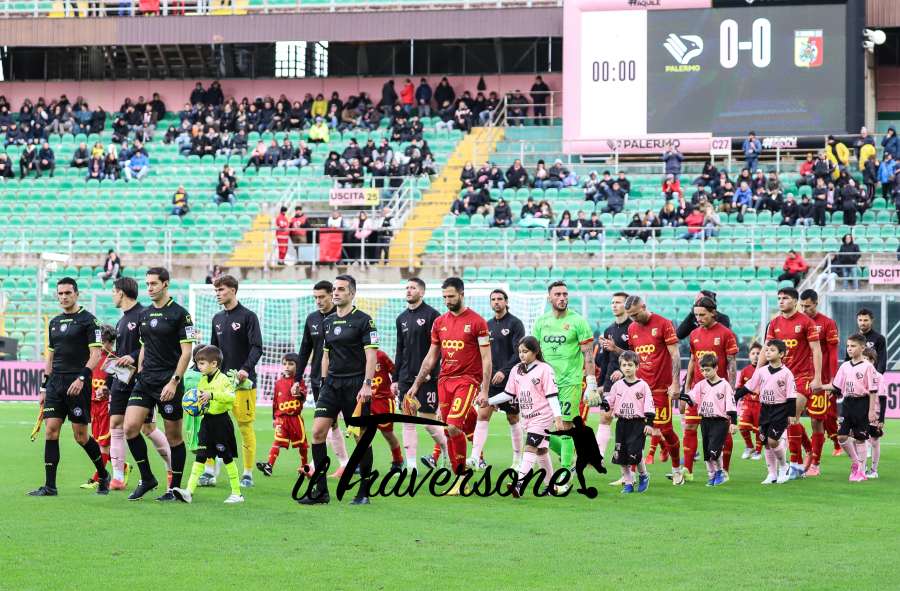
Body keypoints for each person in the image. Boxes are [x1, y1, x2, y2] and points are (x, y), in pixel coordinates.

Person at [299, 275, 379, 506]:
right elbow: (325, 354)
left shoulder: (365, 321)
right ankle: (321, 492)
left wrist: (367, 384)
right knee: (317, 432)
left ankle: (364, 491)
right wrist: (324, 381)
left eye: (341, 289)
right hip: (332, 385)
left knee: (361, 437)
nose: (336, 293)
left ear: (352, 293)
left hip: (356, 386)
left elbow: (371, 354)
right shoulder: (328, 321)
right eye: (334, 289)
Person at [405, 277, 491, 488]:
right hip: (444, 381)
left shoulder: (477, 322)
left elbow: (487, 359)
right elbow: (431, 357)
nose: (447, 300)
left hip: (468, 380)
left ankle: (462, 478)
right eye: (444, 297)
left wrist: (485, 390)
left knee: (452, 427)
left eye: (451, 296)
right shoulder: (439, 323)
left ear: (462, 294)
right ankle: (460, 476)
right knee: (447, 430)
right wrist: (416, 385)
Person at [27, 278, 108, 497]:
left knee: (81, 436)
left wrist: (82, 378)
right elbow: (50, 357)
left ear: (77, 294)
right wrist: (44, 387)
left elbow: (96, 354)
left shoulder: (89, 321)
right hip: (55, 384)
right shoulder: (54, 322)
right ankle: (50, 486)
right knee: (51, 430)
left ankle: (103, 474)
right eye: (60, 293)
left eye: (68, 293)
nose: (63, 297)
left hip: (77, 383)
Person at [123, 267, 195, 501]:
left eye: (154, 284)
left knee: (174, 436)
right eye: (147, 284)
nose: (150, 288)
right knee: (130, 428)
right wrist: (140, 371)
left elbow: (187, 352)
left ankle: (174, 488)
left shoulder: (181, 314)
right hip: (145, 381)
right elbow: (144, 346)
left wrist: (174, 382)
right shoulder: (144, 314)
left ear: (166, 284)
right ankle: (147, 478)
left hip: (168, 382)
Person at [196, 275, 263, 489]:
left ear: (233, 290)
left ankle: (247, 473)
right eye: (216, 290)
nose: (218, 293)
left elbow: (257, 347)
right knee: (211, 426)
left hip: (244, 384)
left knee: (244, 427)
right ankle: (209, 471)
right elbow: (212, 353)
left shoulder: (248, 316)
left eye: (221, 290)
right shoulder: (217, 319)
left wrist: (245, 369)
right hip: (219, 385)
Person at [107, 277, 171, 491]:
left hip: (142, 383)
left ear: (121, 292)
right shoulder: (121, 320)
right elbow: (119, 354)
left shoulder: (145, 315)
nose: (112, 296)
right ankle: (117, 476)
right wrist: (108, 381)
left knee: (147, 427)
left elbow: (151, 347)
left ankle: (172, 469)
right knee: (115, 424)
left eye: (114, 291)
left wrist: (134, 357)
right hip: (121, 380)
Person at [531, 281, 596, 485]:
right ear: (549, 298)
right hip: (544, 384)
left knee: (566, 426)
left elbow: (589, 356)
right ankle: (573, 456)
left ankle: (565, 473)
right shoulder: (541, 322)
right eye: (557, 294)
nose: (562, 297)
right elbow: (534, 354)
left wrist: (591, 383)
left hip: (570, 383)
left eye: (565, 294)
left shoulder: (578, 321)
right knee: (538, 430)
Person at [489, 336, 563, 497]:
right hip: (527, 416)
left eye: (525, 351)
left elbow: (552, 395)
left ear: (535, 352)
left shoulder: (545, 369)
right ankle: (551, 486)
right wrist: (488, 401)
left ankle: (519, 484)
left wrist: (557, 417)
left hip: (543, 416)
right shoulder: (516, 369)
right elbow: (509, 393)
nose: (522, 355)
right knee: (541, 451)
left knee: (529, 447)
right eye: (520, 352)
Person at [763, 287, 822, 480]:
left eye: (785, 298)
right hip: (779, 378)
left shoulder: (806, 322)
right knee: (783, 422)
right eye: (779, 298)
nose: (781, 301)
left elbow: (816, 350)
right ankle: (807, 450)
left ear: (795, 301)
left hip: (802, 377)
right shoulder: (774, 323)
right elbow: (767, 349)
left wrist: (817, 377)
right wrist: (758, 375)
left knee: (792, 416)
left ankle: (795, 464)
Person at [293, 281, 350, 476]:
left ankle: (327, 464)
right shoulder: (312, 319)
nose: (318, 301)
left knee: (350, 426)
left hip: (346, 379)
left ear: (331, 295)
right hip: (319, 380)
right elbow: (304, 351)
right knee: (329, 422)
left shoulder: (344, 317)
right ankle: (343, 464)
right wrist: (297, 379)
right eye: (315, 297)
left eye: (322, 297)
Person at [624, 295, 683, 483]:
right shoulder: (632, 328)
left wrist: (675, 383)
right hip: (640, 388)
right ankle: (632, 474)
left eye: (635, 314)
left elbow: (675, 355)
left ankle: (676, 470)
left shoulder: (664, 324)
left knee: (666, 430)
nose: (633, 319)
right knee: (635, 431)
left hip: (660, 389)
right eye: (630, 316)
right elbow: (634, 359)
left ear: (644, 306)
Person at [175, 345, 243, 504]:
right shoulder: (203, 380)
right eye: (198, 363)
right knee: (201, 455)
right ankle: (189, 492)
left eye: (202, 363)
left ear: (214, 364)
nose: (199, 366)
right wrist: (193, 406)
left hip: (221, 423)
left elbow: (231, 397)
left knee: (226, 457)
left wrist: (212, 395)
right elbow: (201, 401)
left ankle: (237, 493)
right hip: (206, 422)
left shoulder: (224, 379)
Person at [467, 289, 525, 470]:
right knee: (483, 415)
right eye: (493, 299)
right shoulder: (486, 324)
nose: (496, 302)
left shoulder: (515, 324)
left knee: (513, 417)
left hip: (511, 379)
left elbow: (519, 353)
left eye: (500, 299)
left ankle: (517, 460)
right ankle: (475, 458)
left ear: (506, 302)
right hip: (490, 381)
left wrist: (504, 371)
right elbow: (480, 354)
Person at [682, 297, 738, 482]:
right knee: (690, 426)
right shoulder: (694, 334)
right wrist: (687, 385)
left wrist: (731, 388)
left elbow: (731, 362)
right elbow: (692, 360)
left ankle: (725, 471)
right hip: (699, 390)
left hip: (718, 391)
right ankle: (687, 471)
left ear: (713, 312)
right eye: (696, 314)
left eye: (702, 314)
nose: (698, 318)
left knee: (724, 430)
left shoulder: (726, 334)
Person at [393, 278, 445, 470]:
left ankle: (445, 448)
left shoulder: (433, 316)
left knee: (428, 422)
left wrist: (434, 372)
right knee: (408, 419)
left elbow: (439, 349)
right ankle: (412, 465)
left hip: (428, 378)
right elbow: (400, 349)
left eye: (412, 288)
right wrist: (395, 378)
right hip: (407, 377)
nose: (408, 290)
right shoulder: (401, 318)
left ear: (422, 292)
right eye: (406, 287)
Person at [734, 340, 795, 484]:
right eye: (766, 350)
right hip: (765, 409)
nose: (767, 352)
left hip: (780, 409)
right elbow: (749, 386)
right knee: (765, 442)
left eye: (772, 350)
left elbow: (791, 396)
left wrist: (791, 415)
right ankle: (771, 474)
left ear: (781, 354)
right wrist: (735, 396)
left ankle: (784, 466)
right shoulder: (761, 371)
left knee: (773, 440)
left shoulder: (787, 374)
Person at [820, 334, 878, 482]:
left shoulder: (868, 367)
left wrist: (872, 411)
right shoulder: (845, 366)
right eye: (848, 346)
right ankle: (856, 462)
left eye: (853, 346)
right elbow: (836, 386)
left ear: (862, 348)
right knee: (841, 436)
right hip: (847, 403)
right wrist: (820, 387)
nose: (849, 349)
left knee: (860, 438)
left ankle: (861, 471)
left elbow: (872, 390)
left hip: (862, 403)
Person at [799, 289, 840, 476]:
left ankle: (815, 462)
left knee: (817, 420)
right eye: (802, 306)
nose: (804, 309)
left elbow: (832, 352)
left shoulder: (827, 323)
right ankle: (807, 451)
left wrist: (833, 379)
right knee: (790, 417)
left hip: (819, 380)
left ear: (816, 303)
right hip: (798, 377)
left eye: (808, 306)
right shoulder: (797, 322)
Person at [680, 354, 738, 487]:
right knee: (707, 452)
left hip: (720, 422)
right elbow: (691, 399)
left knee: (714, 450)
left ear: (716, 368)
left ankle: (720, 473)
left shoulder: (725, 385)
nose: (705, 373)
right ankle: (711, 476)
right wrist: (678, 396)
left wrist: (734, 423)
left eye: (708, 370)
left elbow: (731, 406)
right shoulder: (700, 385)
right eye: (703, 370)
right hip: (705, 421)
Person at [592, 292, 631, 481]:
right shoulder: (608, 330)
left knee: (626, 423)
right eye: (612, 303)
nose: (614, 305)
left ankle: (630, 466)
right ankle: (598, 456)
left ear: (627, 305)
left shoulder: (633, 328)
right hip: (610, 381)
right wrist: (601, 384)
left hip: (629, 383)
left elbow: (638, 356)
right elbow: (605, 361)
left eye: (618, 302)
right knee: (605, 418)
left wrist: (624, 372)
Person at [604, 351, 654, 494]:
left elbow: (649, 405)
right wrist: (603, 403)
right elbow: (610, 401)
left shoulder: (643, 386)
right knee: (621, 456)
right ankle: (628, 482)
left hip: (637, 424)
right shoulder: (617, 386)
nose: (627, 368)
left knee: (635, 453)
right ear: (620, 367)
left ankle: (644, 475)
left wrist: (649, 424)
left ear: (637, 366)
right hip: (621, 424)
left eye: (630, 365)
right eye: (624, 365)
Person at [257, 353, 309, 478]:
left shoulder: (299, 381)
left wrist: (299, 394)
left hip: (295, 418)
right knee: (277, 441)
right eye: (285, 364)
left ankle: (305, 467)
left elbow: (303, 396)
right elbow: (275, 402)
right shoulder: (278, 383)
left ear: (298, 367)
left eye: (291, 364)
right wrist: (274, 418)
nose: (287, 366)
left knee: (302, 444)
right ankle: (269, 465)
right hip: (281, 419)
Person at [79, 325, 116, 489]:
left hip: (107, 406)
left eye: (104, 342)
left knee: (104, 443)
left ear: (111, 343)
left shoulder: (114, 360)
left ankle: (98, 478)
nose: (101, 346)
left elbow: (118, 381)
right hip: (93, 406)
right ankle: (122, 467)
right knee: (98, 441)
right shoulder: (91, 358)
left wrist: (108, 390)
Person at [370, 349, 403, 472]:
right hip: (366, 400)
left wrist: (397, 384)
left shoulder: (381, 355)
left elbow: (394, 371)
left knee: (387, 433)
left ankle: (398, 460)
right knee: (362, 432)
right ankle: (363, 462)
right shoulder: (356, 355)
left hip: (383, 400)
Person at [736, 342, 764, 460]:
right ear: (749, 356)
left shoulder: (765, 370)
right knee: (742, 426)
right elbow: (740, 387)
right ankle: (749, 447)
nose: (756, 355)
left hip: (760, 404)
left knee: (759, 430)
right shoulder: (745, 371)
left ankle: (758, 451)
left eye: (758, 353)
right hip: (747, 403)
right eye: (753, 353)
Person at [861, 347, 886, 479]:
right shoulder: (860, 374)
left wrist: (881, 419)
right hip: (862, 413)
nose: (863, 362)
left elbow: (883, 398)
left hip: (874, 413)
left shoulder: (879, 377)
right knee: (860, 439)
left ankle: (874, 469)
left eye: (866, 359)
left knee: (874, 441)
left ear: (872, 361)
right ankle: (862, 467)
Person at [854, 308, 887, 374]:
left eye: (865, 320)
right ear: (857, 321)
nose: (862, 323)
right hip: (855, 377)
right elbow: (848, 359)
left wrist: (876, 377)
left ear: (871, 321)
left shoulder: (879, 338)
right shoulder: (853, 339)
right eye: (860, 320)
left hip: (872, 376)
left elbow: (882, 361)